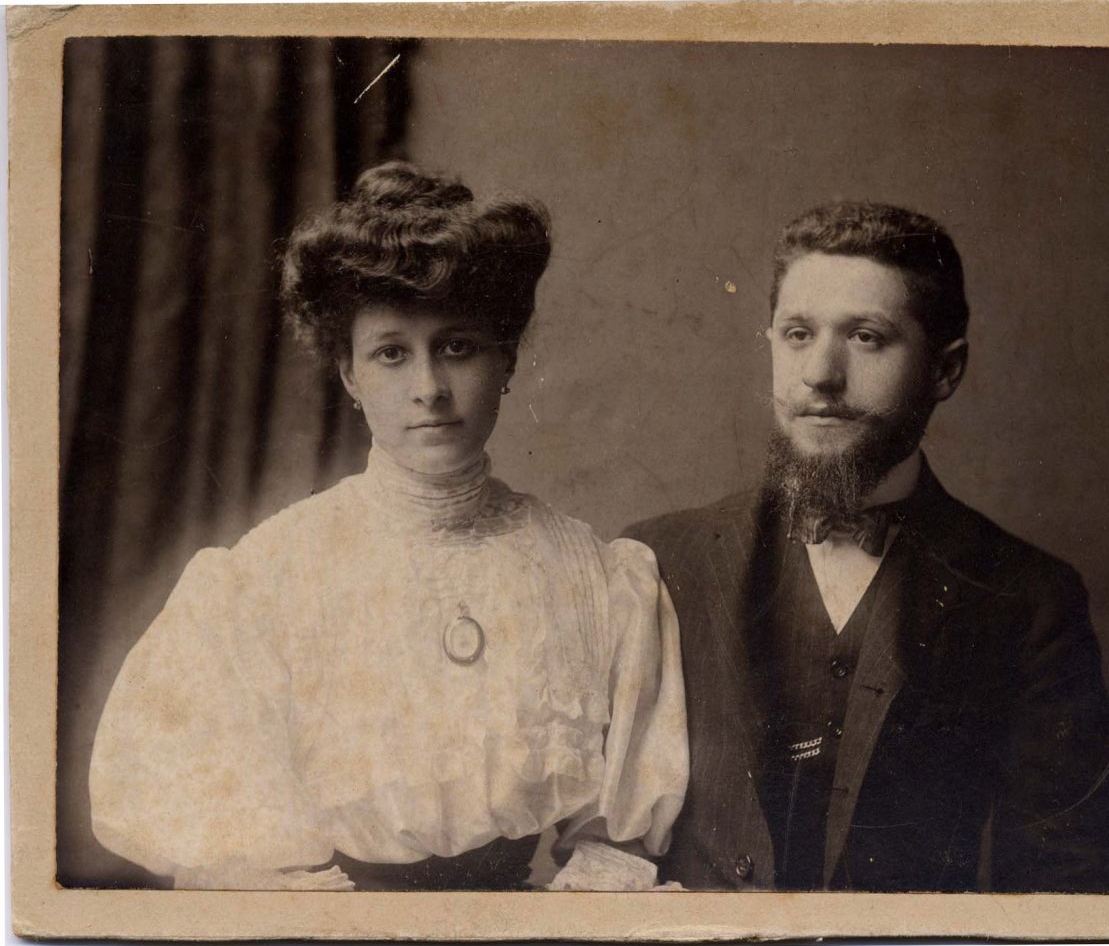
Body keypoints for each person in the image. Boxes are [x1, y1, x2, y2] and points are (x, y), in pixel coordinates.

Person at [89, 162, 688, 892]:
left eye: (458, 347)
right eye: (392, 354)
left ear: (505, 357)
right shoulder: (270, 576)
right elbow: (219, 824)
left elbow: (614, 831)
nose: (428, 389)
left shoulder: (591, 575)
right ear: (349, 373)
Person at [623, 201, 1109, 893]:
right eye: (798, 333)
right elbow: (607, 851)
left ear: (945, 370)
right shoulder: (657, 563)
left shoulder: (1027, 598)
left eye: (867, 337)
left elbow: (1079, 885)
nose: (820, 373)